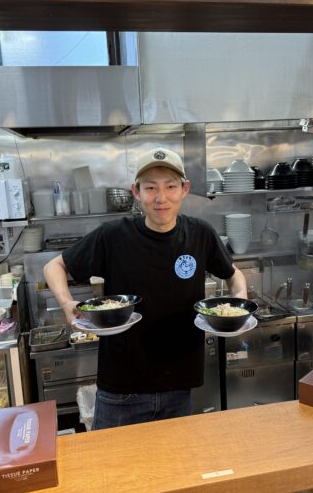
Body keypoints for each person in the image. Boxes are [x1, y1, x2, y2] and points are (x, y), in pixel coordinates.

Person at [43, 147, 247, 429]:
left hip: (179, 385)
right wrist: (67, 303)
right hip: (121, 389)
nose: (161, 198)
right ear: (136, 192)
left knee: (174, 459)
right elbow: (54, 266)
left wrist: (240, 302)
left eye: (170, 187)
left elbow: (234, 274)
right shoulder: (113, 236)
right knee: (114, 459)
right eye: (150, 188)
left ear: (184, 189)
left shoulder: (200, 234)